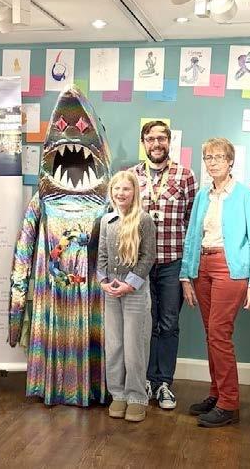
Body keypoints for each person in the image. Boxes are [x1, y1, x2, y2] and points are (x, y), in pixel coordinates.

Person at [180, 138, 250, 427]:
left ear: (230, 161)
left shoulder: (245, 195)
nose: (213, 162)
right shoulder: (203, 196)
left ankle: (229, 403)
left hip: (230, 267)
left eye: (219, 157)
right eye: (208, 157)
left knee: (219, 334)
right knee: (211, 334)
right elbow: (192, 236)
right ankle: (216, 394)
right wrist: (185, 275)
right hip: (202, 266)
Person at [130, 121, 197, 410]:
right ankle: (145, 380)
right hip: (141, 264)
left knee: (168, 324)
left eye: (161, 138)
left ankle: (164, 383)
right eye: (150, 139)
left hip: (173, 263)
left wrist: (189, 267)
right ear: (143, 143)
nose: (156, 144)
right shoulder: (133, 176)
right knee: (145, 324)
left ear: (169, 142)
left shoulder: (185, 175)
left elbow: (192, 222)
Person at [97, 171, 156, 422]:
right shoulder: (106, 221)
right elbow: (101, 254)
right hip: (111, 290)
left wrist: (129, 285)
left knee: (134, 346)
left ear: (134, 193)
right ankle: (118, 393)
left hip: (134, 292)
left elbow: (148, 257)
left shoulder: (144, 220)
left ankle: (136, 396)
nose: (121, 193)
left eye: (126, 189)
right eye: (117, 189)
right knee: (114, 345)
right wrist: (104, 281)